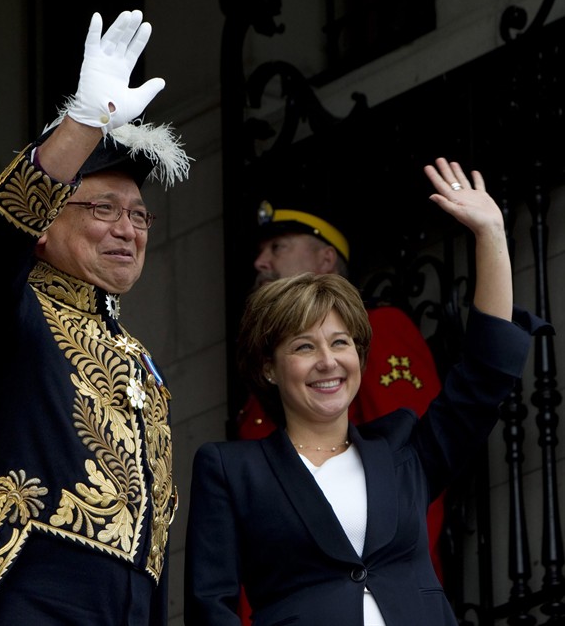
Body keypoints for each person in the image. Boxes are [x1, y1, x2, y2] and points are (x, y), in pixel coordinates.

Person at [184, 158, 549, 625]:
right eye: (303, 346)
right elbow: (210, 607)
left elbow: (482, 379)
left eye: (340, 343)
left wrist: (491, 235)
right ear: (268, 368)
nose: (328, 361)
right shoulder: (232, 470)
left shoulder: (401, 452)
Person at [0, 10, 189, 626]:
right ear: (42, 228)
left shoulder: (142, 364)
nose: (128, 229)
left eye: (139, 216)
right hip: (22, 596)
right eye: (103, 208)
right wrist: (82, 125)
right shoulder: (4, 310)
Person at [236, 197, 446, 589]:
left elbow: (413, 475)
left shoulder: (379, 328)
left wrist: (399, 589)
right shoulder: (272, 372)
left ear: (326, 260)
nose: (261, 262)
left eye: (277, 248)